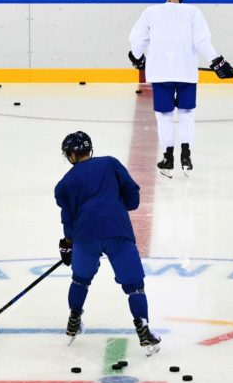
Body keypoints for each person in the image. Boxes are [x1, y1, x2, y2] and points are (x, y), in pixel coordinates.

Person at [55, 131, 160, 356]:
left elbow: (68, 218)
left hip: (85, 236)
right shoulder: (110, 163)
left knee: (80, 280)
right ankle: (143, 329)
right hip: (116, 230)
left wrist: (67, 244)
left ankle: (74, 319)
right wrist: (122, 206)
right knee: (135, 285)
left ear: (72, 154)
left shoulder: (65, 183)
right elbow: (132, 192)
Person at [127, 0, 233, 177]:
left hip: (160, 73)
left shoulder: (151, 12)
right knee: (186, 114)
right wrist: (217, 61)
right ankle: (186, 156)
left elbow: (136, 39)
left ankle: (168, 159)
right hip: (186, 72)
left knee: (164, 116)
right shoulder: (192, 12)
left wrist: (138, 57)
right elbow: (202, 41)